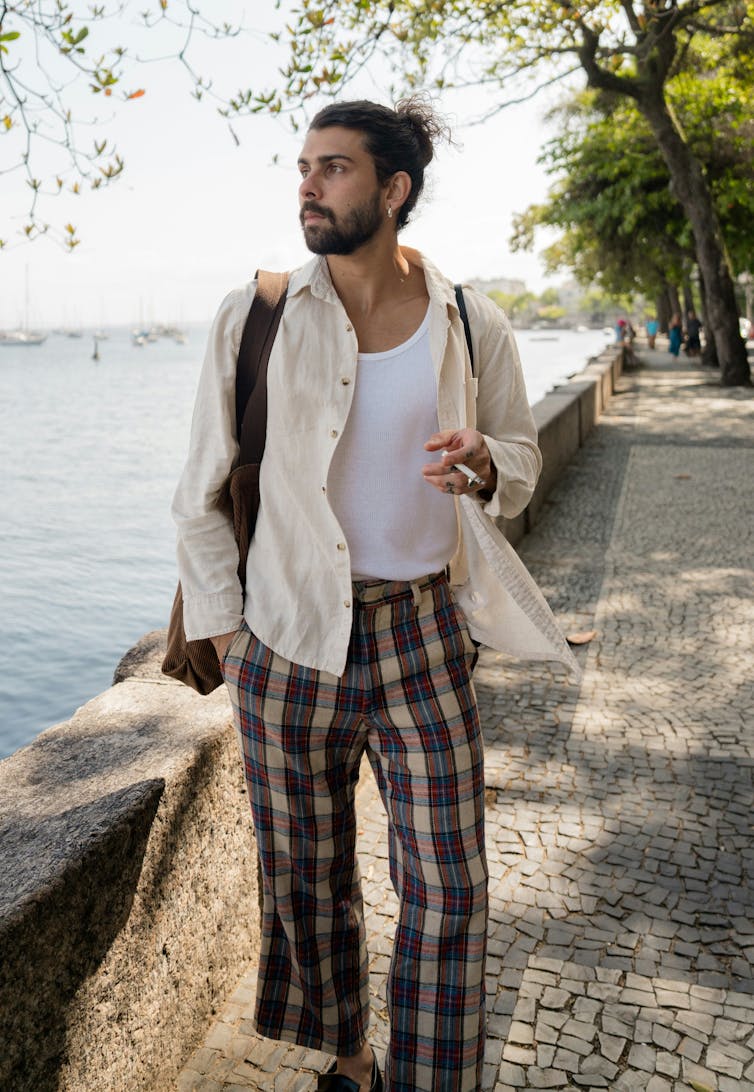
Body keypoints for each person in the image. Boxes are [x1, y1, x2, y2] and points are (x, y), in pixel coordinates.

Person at [172, 97, 576, 1092]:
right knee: (305, 878)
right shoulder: (256, 315)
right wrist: (229, 639)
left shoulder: (470, 319)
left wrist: (487, 462)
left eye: (334, 168)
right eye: (303, 167)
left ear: (394, 191)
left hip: (424, 632)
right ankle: (350, 1064)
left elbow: (521, 458)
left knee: (451, 885)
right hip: (286, 639)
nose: (307, 187)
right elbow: (198, 492)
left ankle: (429, 1076)